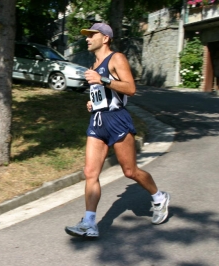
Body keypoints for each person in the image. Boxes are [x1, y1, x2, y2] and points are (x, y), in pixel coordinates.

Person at [65, 23, 170, 238]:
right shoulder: (94, 64)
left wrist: (102, 79)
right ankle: (89, 223)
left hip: (117, 120)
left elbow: (130, 88)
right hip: (97, 120)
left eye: (91, 35)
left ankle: (159, 197)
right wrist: (93, 104)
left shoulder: (117, 58)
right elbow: (102, 94)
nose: (87, 39)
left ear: (105, 38)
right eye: (87, 36)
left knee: (130, 171)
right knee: (90, 173)